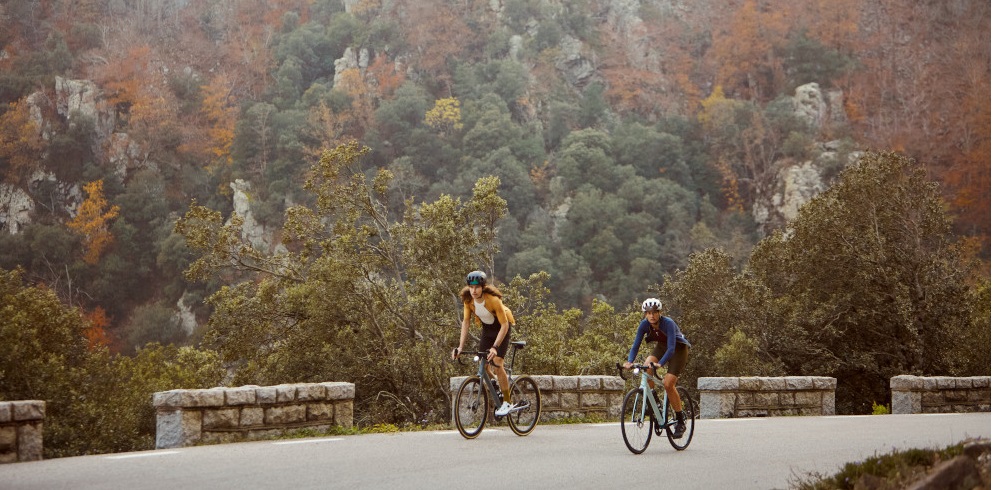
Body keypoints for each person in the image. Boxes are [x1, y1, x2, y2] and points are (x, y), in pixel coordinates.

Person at [623, 297, 692, 437]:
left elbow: (671, 348)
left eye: (654, 312)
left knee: (668, 384)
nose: (651, 315)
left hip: (678, 349)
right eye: (648, 313)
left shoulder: (668, 323)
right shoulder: (644, 325)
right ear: (645, 314)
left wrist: (660, 364)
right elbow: (635, 346)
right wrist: (630, 362)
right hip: (661, 347)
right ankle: (656, 404)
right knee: (646, 367)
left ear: (659, 312)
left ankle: (680, 421)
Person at [452, 270, 517, 417]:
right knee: (484, 365)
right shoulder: (468, 301)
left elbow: (505, 325)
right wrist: (460, 347)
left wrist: (495, 347)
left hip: (502, 328)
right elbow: (466, 322)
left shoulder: (493, 300)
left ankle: (508, 401)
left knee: (497, 363)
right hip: (488, 330)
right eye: (471, 287)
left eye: (477, 287)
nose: (473, 291)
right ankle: (497, 387)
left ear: (482, 287)